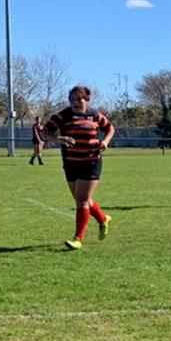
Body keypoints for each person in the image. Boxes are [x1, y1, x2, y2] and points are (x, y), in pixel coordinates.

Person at [43, 86, 115, 250]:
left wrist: (105, 142)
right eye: (72, 100)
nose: (74, 102)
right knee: (83, 199)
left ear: (87, 99)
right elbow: (44, 132)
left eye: (78, 99)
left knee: (82, 199)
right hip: (70, 162)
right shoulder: (63, 115)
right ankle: (103, 219)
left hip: (91, 161)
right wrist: (58, 138)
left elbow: (110, 128)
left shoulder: (95, 114)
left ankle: (78, 238)